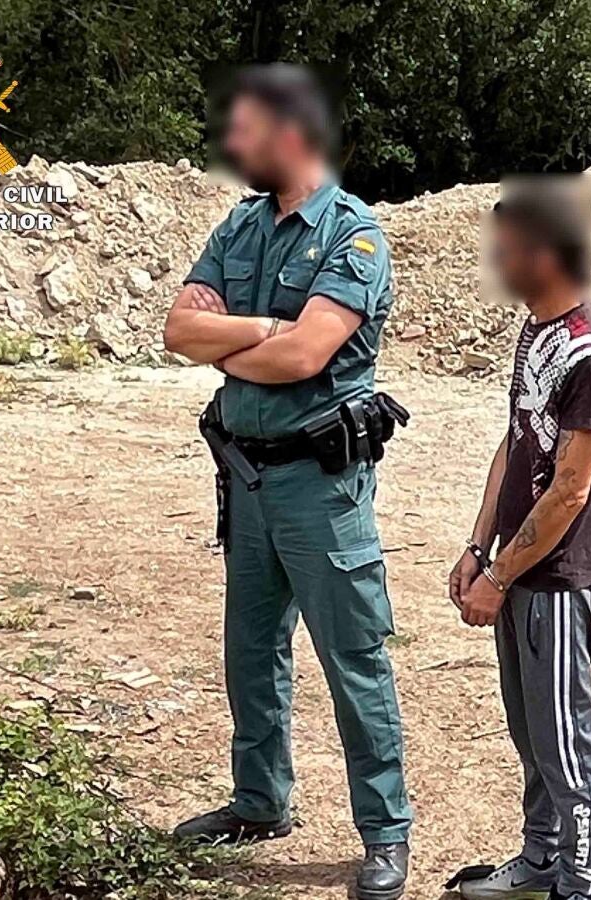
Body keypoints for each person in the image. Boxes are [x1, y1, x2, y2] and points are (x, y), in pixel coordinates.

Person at [160, 65, 412, 899]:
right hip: (248, 479)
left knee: (353, 658)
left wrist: (232, 344)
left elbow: (306, 355)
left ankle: (385, 832)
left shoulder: (353, 234)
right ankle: (259, 801)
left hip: (321, 486)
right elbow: (177, 329)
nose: (233, 146)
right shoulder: (241, 226)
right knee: (251, 649)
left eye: (246, 131)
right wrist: (265, 329)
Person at [445, 179, 591, 900]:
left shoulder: (590, 355)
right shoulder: (538, 333)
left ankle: (579, 882)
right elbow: (517, 442)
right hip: (519, 569)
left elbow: (571, 489)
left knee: (563, 740)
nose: (498, 263)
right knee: (530, 732)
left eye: (509, 250)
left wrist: (500, 575)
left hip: (555, 578)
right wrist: (478, 547)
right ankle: (542, 856)